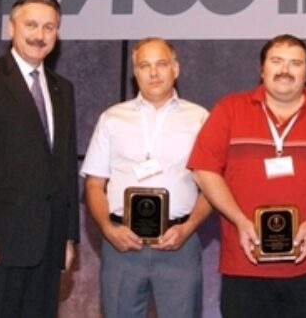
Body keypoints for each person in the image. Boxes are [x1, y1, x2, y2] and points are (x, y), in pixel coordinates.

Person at [187, 34, 306, 318]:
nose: (285, 70)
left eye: (296, 63)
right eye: (276, 61)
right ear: (262, 69)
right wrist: (240, 221)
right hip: (245, 266)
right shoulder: (229, 110)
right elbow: (203, 169)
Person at [0, 0, 79, 318]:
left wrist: (68, 236)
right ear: (11, 27)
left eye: (49, 27)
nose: (39, 35)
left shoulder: (63, 89)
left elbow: (65, 167)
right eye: (31, 24)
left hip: (47, 246)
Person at [81, 37, 212, 318]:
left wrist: (188, 229)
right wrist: (107, 228)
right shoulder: (112, 118)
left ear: (175, 69)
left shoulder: (200, 118)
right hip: (122, 244)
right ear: (135, 72)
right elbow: (94, 183)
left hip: (179, 242)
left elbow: (213, 188)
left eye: (161, 64)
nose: (153, 73)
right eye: (145, 65)